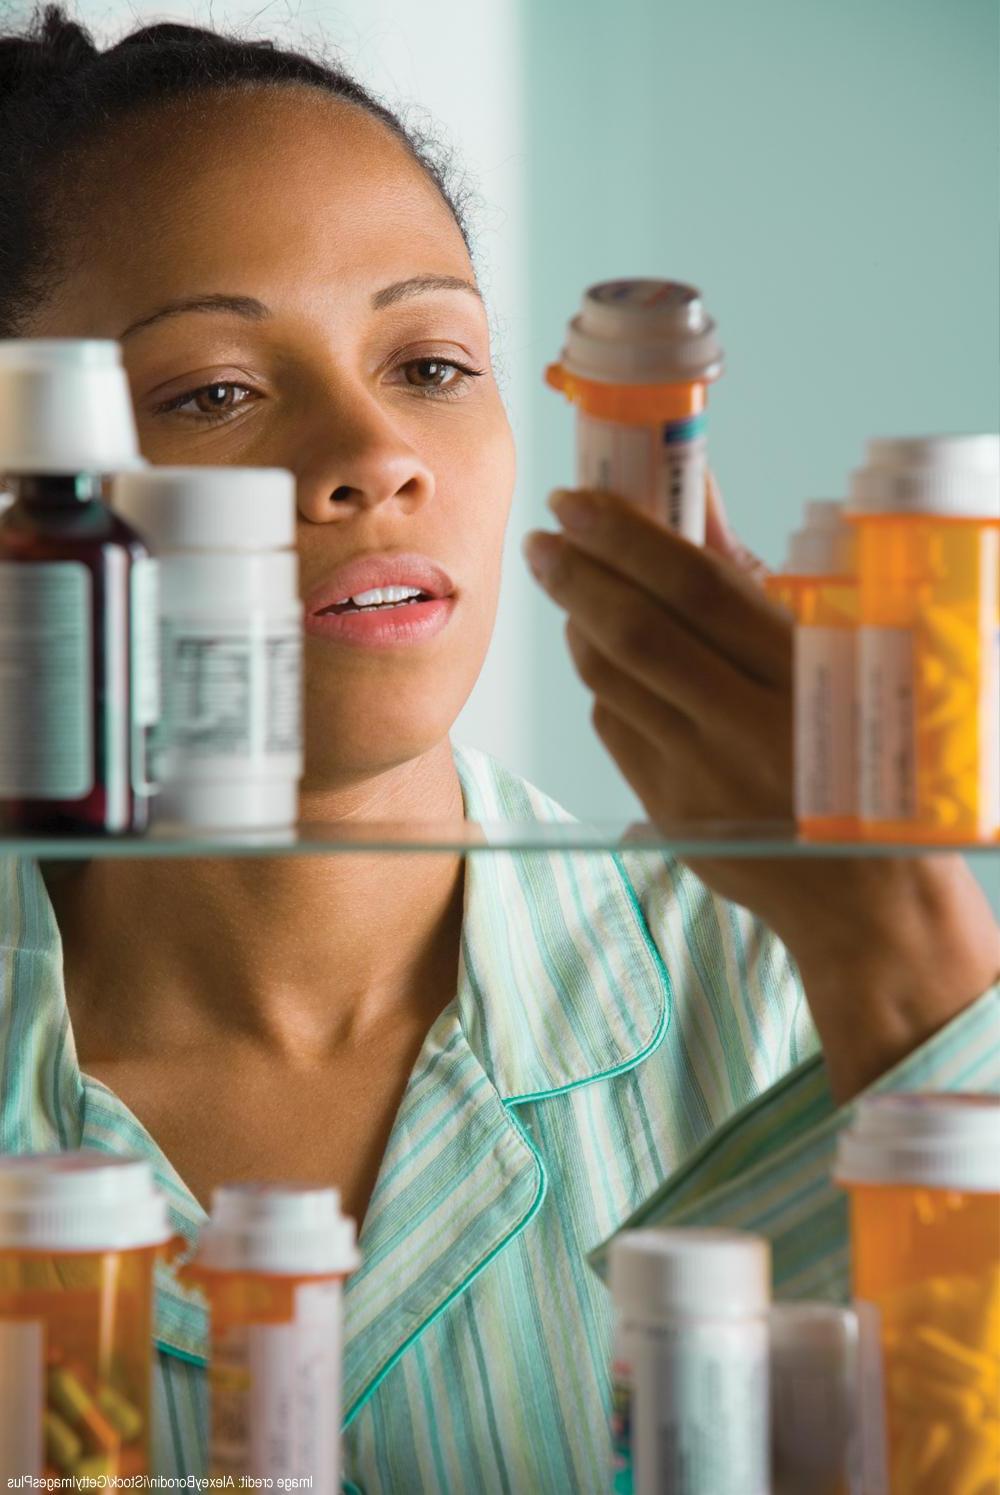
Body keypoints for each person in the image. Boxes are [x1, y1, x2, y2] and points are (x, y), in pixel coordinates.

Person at [0, 8, 996, 1489]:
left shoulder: (800, 995)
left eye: (433, 364)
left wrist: (904, 949)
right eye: (212, 391)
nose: (374, 455)